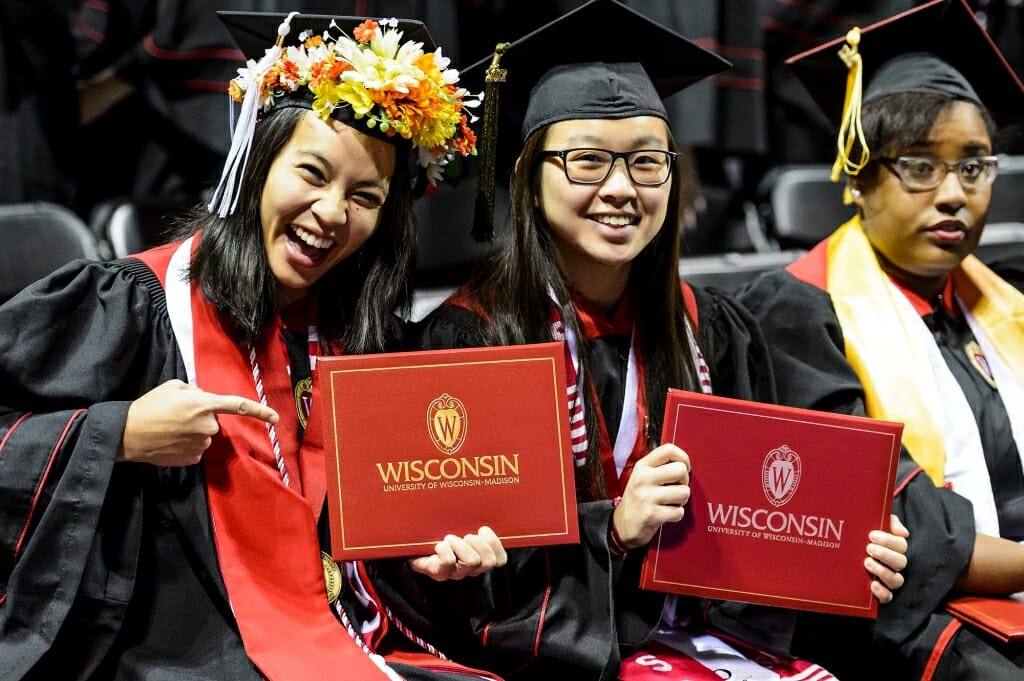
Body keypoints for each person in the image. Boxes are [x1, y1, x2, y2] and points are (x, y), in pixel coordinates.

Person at [353, 2, 910, 679]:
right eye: (587, 160)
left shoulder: (714, 330)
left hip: (706, 647)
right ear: (529, 177)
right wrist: (611, 529)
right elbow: (455, 591)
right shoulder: (466, 342)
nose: (620, 188)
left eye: (647, 162)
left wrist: (849, 551)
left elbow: (761, 534)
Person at [0, 10, 508, 681]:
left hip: (348, 641)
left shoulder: (367, 343)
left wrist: (444, 560)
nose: (331, 212)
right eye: (312, 173)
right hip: (174, 656)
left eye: (365, 196)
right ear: (255, 164)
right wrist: (118, 432)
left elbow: (377, 569)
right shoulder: (134, 305)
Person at [736, 0, 1024, 676]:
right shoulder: (797, 314)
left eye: (974, 166)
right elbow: (900, 529)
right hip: (901, 622)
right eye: (920, 166)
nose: (953, 194)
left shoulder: (1005, 301)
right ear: (858, 176)